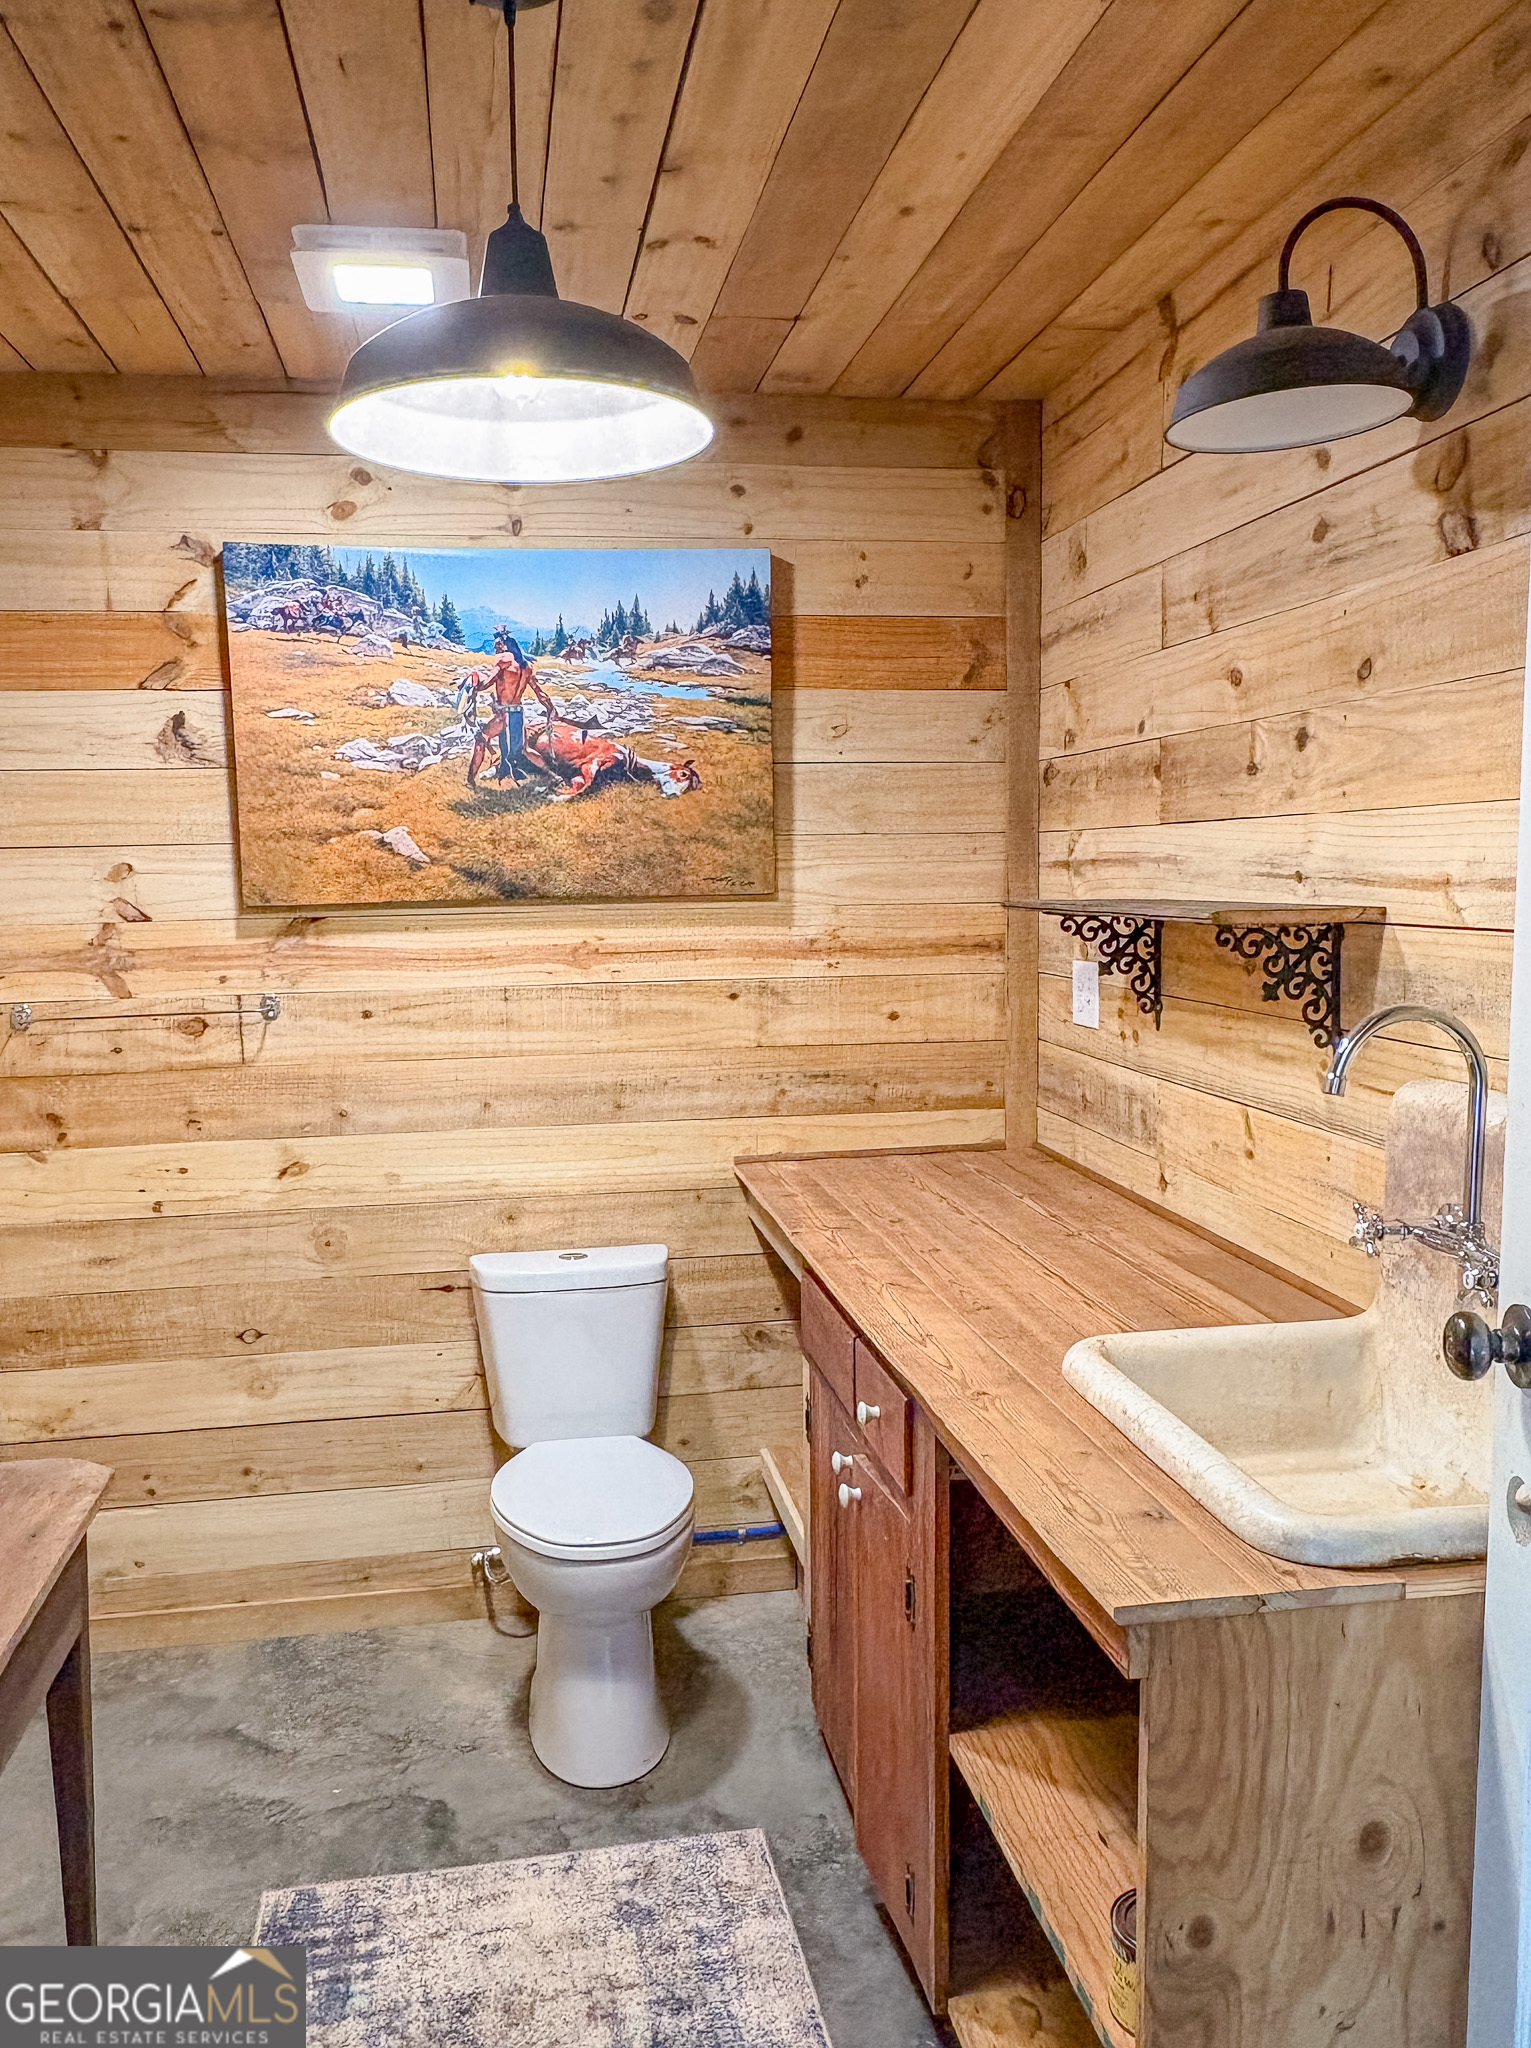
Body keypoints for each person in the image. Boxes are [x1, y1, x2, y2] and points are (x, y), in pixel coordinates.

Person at [465, 644, 557, 790]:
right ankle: (553, 775)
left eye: (497, 645)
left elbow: (486, 683)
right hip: (518, 714)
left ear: (504, 646)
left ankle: (471, 781)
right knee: (525, 749)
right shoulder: (526, 668)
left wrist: (474, 678)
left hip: (504, 715)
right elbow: (540, 694)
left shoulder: (503, 662)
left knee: (482, 739)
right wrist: (551, 708)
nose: (496, 648)